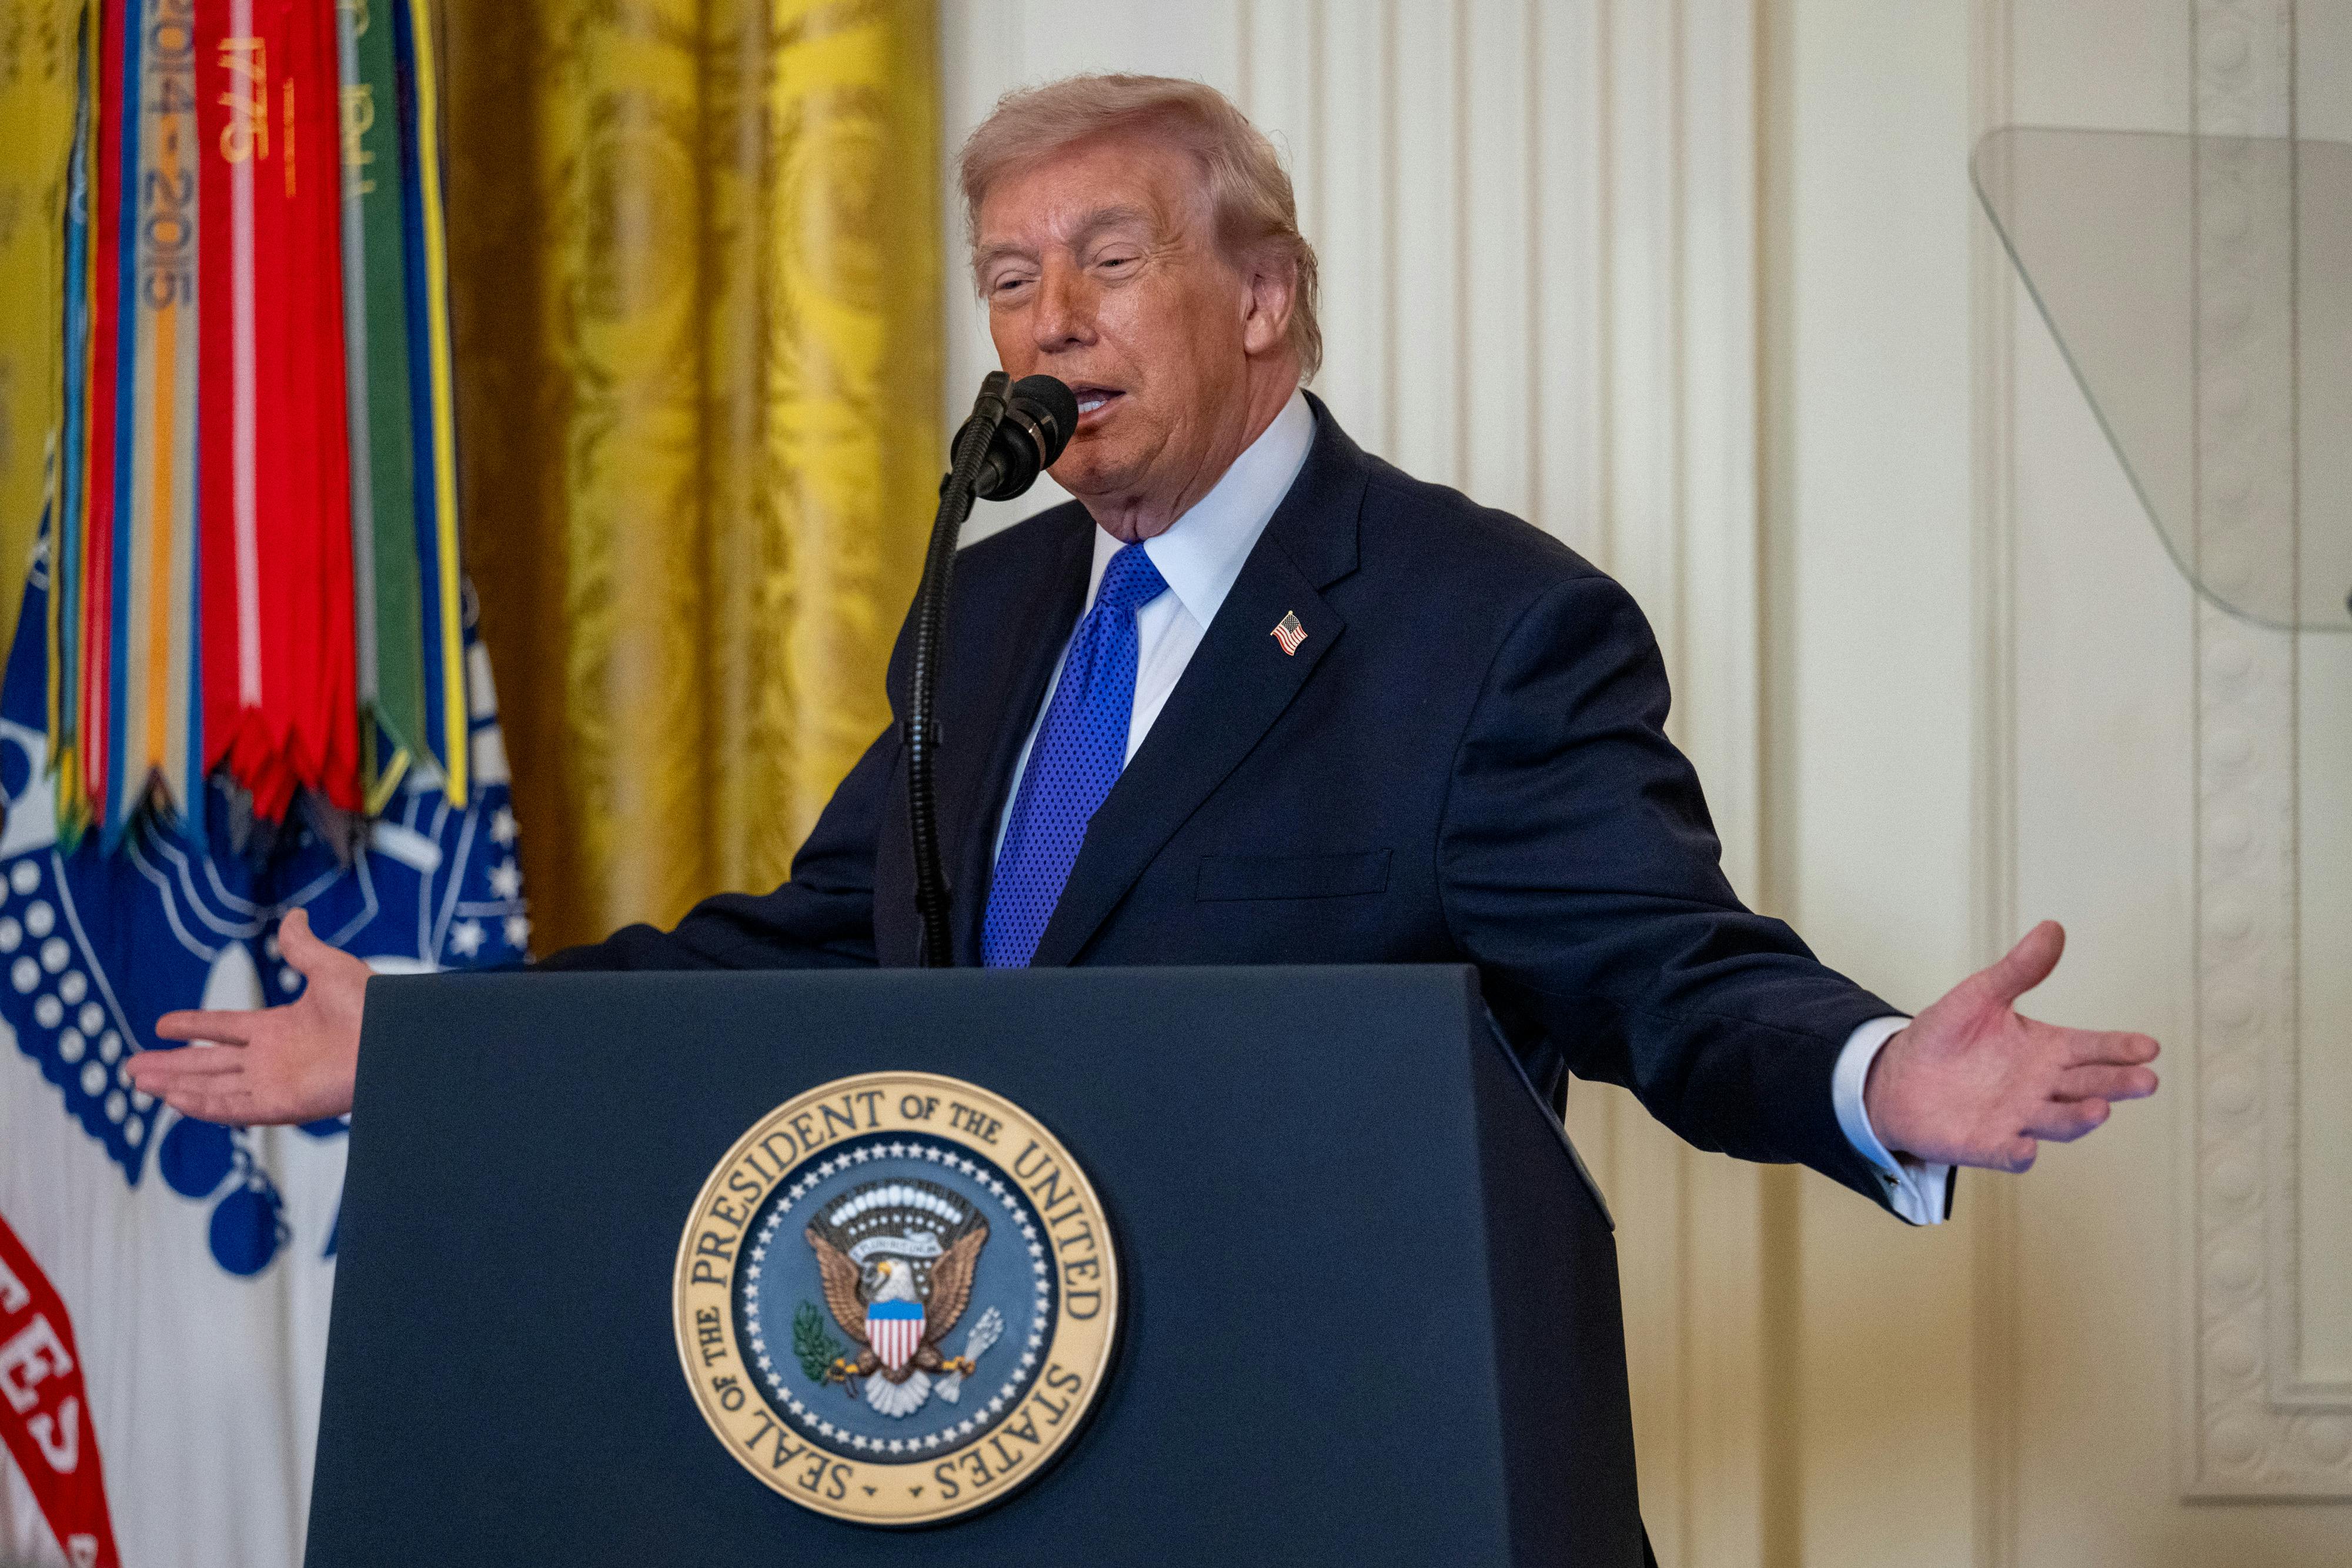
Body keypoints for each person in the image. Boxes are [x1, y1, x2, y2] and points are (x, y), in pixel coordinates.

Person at [128, 74, 2158, 1223]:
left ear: (1264, 298)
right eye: (1010, 280)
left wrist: (1880, 1067)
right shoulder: (995, 601)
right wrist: (432, 1034)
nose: (1046, 323)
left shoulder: (1488, 625)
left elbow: (1659, 972)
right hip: (968, 1423)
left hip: (1334, 1455)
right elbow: (821, 945)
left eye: (1109, 259)